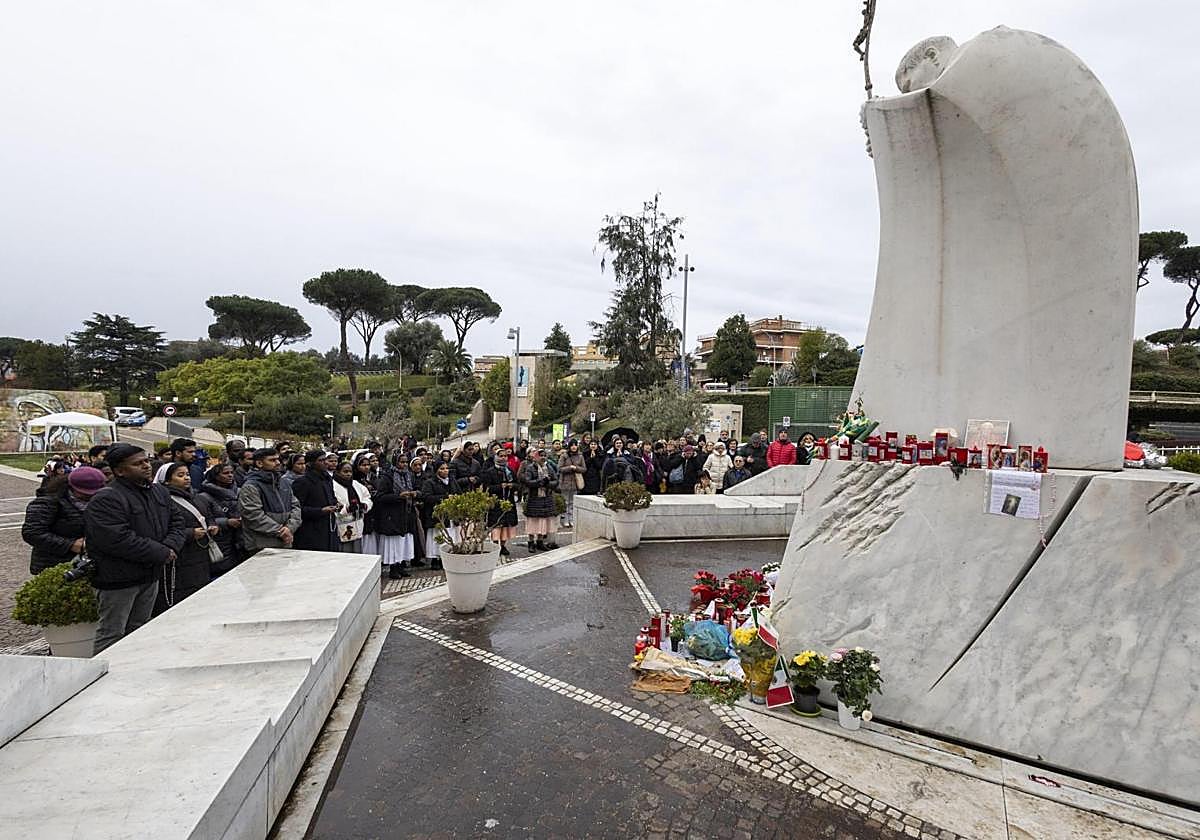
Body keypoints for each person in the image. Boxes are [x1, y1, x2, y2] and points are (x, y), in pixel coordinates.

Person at [86, 444, 188, 654]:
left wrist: (170, 546)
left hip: (150, 574)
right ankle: (101, 677)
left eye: (146, 461)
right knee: (112, 633)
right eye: (137, 464)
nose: (145, 466)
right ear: (120, 471)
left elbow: (177, 520)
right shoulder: (107, 498)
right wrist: (161, 552)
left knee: (140, 629)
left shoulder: (158, 491)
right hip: (119, 579)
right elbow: (117, 539)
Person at [155, 462, 217, 614]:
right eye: (180, 475)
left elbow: (208, 516)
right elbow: (162, 529)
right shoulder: (163, 501)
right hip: (181, 558)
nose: (186, 478)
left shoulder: (196, 497)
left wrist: (212, 525)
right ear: (167, 480)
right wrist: (190, 533)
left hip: (200, 555)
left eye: (187, 474)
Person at [22, 466, 105, 575]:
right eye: (84, 493)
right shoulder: (47, 502)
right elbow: (32, 533)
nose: (90, 496)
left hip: (89, 564)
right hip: (54, 564)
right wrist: (70, 545)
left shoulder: (102, 502)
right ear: (71, 487)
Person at [238, 447, 302, 556]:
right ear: (259, 463)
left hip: (285, 541)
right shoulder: (251, 487)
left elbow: (295, 506)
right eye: (272, 460)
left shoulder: (283, 482)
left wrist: (289, 528)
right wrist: (280, 531)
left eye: (278, 459)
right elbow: (254, 516)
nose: (277, 463)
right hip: (262, 545)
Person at [373, 452, 420, 578]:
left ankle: (401, 565)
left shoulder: (409, 475)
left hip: (407, 513)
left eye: (406, 462)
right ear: (395, 462)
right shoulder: (388, 476)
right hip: (392, 514)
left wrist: (415, 493)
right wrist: (398, 496)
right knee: (394, 542)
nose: (404, 465)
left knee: (403, 541)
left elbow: (418, 488)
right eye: (401, 462)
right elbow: (380, 496)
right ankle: (393, 568)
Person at [197, 462, 243, 574]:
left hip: (238, 539)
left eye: (232, 473)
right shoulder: (204, 496)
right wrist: (226, 522)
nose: (230, 475)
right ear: (216, 476)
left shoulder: (239, 491)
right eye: (226, 473)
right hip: (219, 540)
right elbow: (204, 520)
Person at [292, 450, 341, 552]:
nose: (326, 463)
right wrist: (320, 511)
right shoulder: (302, 482)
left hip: (329, 529)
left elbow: (331, 498)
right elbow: (297, 509)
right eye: (321, 460)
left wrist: (336, 504)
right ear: (310, 463)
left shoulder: (327, 479)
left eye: (325, 459)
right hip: (311, 532)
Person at [419, 461, 460, 569]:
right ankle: (436, 559)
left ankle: (449, 556)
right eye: (442, 469)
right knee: (437, 536)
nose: (445, 471)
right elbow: (427, 497)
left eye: (446, 468)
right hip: (438, 515)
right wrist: (445, 498)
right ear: (436, 470)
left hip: (451, 514)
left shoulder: (452, 481)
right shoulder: (430, 482)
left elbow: (459, 493)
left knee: (450, 534)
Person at [481, 449, 519, 556]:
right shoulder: (490, 471)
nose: (503, 458)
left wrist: (512, 486)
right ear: (496, 457)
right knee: (496, 525)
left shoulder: (510, 471)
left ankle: (503, 545)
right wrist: (499, 487)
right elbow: (486, 488)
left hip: (508, 501)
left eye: (505, 456)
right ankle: (494, 545)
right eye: (501, 456)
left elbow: (518, 484)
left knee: (506, 525)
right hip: (496, 503)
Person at [519, 448, 557, 552]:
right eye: (541, 455)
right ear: (536, 457)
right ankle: (531, 542)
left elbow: (555, 480)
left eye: (544, 455)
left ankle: (540, 541)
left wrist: (548, 483)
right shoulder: (531, 468)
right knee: (533, 521)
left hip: (546, 497)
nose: (543, 457)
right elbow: (528, 481)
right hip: (534, 498)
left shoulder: (549, 467)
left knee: (543, 521)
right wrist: (540, 482)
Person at [331, 460, 372, 553]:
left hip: (357, 522)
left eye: (350, 472)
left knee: (357, 550)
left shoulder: (356, 484)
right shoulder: (333, 485)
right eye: (345, 472)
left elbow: (367, 497)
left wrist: (364, 505)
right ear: (337, 472)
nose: (348, 474)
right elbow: (333, 504)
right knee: (345, 552)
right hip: (342, 524)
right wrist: (347, 508)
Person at [556, 440, 585, 529]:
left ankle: (571, 519)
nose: (573, 447)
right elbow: (560, 468)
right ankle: (565, 520)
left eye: (575, 445)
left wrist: (576, 468)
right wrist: (569, 468)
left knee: (572, 502)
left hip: (575, 482)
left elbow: (584, 469)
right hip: (565, 482)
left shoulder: (580, 456)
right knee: (565, 502)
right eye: (572, 445)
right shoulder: (564, 456)